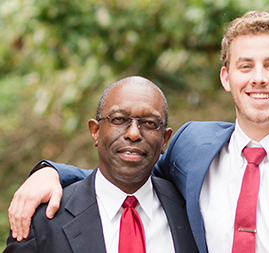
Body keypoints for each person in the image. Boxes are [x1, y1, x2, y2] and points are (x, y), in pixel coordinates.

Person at [8, 11, 269, 253]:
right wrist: (54, 173)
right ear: (226, 77)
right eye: (245, 66)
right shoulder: (191, 147)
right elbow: (128, 172)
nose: (258, 78)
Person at [4, 76, 199, 253]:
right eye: (119, 120)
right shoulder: (41, 223)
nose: (133, 133)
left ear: (165, 139)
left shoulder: (192, 213)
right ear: (95, 131)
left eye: (149, 123)